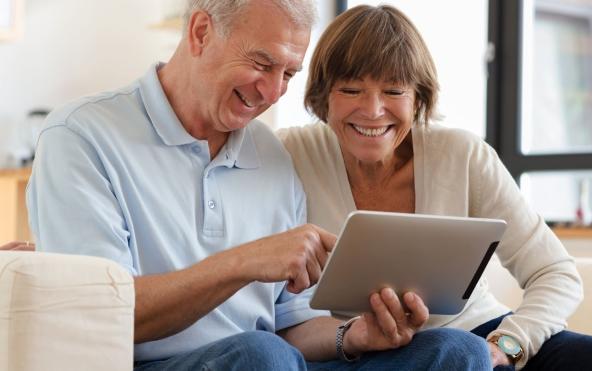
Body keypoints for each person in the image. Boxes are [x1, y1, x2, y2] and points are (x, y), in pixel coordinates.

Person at [26, 1, 492, 370]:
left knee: (456, 351)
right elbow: (98, 314)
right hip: (159, 363)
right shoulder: (82, 135)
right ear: (201, 32)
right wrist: (243, 263)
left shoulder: (269, 154)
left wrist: (354, 336)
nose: (272, 93)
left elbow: (292, 327)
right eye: (261, 63)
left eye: (288, 74)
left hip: (276, 360)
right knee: (261, 355)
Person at [279, 4, 592, 371]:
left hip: (475, 331)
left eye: (394, 91)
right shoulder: (288, 155)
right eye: (351, 90)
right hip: (354, 349)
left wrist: (507, 345)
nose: (372, 110)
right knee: (454, 351)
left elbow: (555, 272)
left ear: (418, 98)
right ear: (323, 95)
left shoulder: (461, 154)